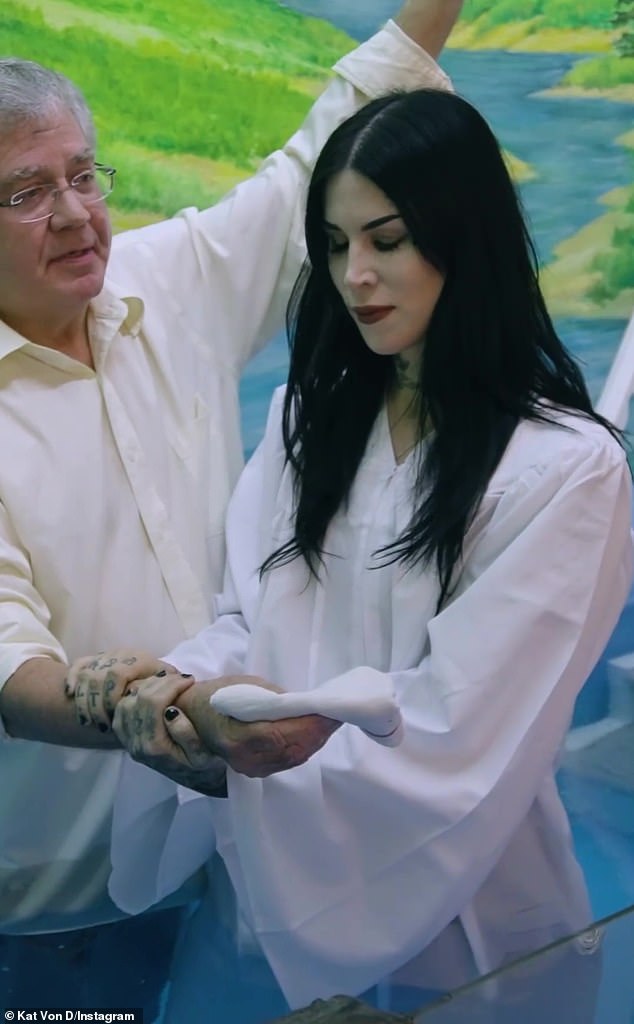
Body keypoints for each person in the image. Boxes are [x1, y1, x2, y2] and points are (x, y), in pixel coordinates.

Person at [100, 87, 633, 1021]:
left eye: (387, 240)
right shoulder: (307, 421)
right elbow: (247, 619)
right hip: (259, 895)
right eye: (336, 243)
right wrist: (178, 696)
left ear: (463, 236)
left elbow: (461, 732)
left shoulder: (566, 467)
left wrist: (241, 761)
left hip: (470, 922)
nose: (356, 276)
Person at [0, 2, 463, 1013]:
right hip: (60, 889)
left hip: (235, 836)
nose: (75, 214)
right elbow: (9, 663)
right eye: (27, 192)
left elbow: (316, 151)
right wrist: (139, 709)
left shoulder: (167, 280)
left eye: (83, 175)